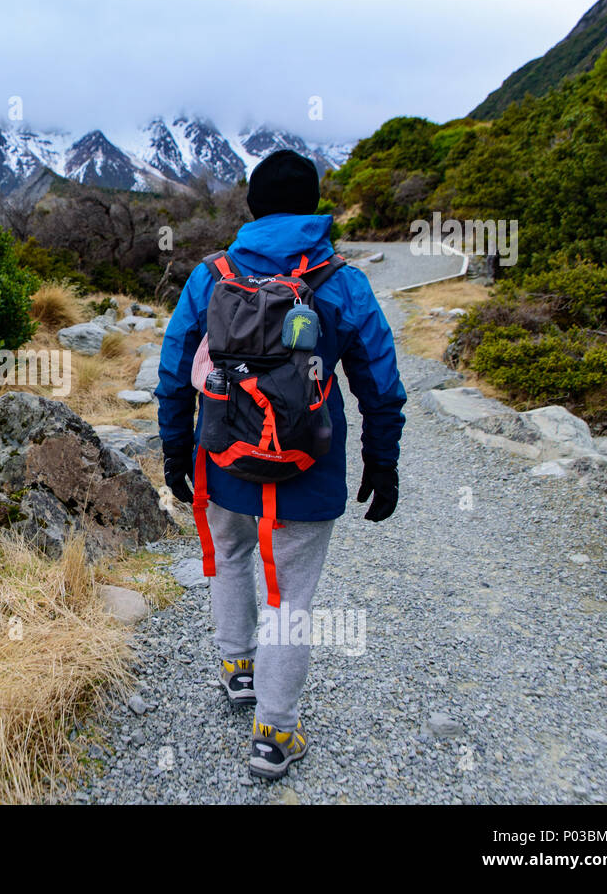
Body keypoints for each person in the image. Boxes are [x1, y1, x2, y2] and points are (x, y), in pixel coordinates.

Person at [155, 149, 406, 780]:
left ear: (253, 208)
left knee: (233, 556)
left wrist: (174, 448)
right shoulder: (341, 279)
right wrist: (383, 459)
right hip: (307, 462)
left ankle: (237, 668)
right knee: (290, 597)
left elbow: (174, 368)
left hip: (223, 456)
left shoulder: (213, 273)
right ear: (313, 206)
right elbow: (378, 379)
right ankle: (275, 733)